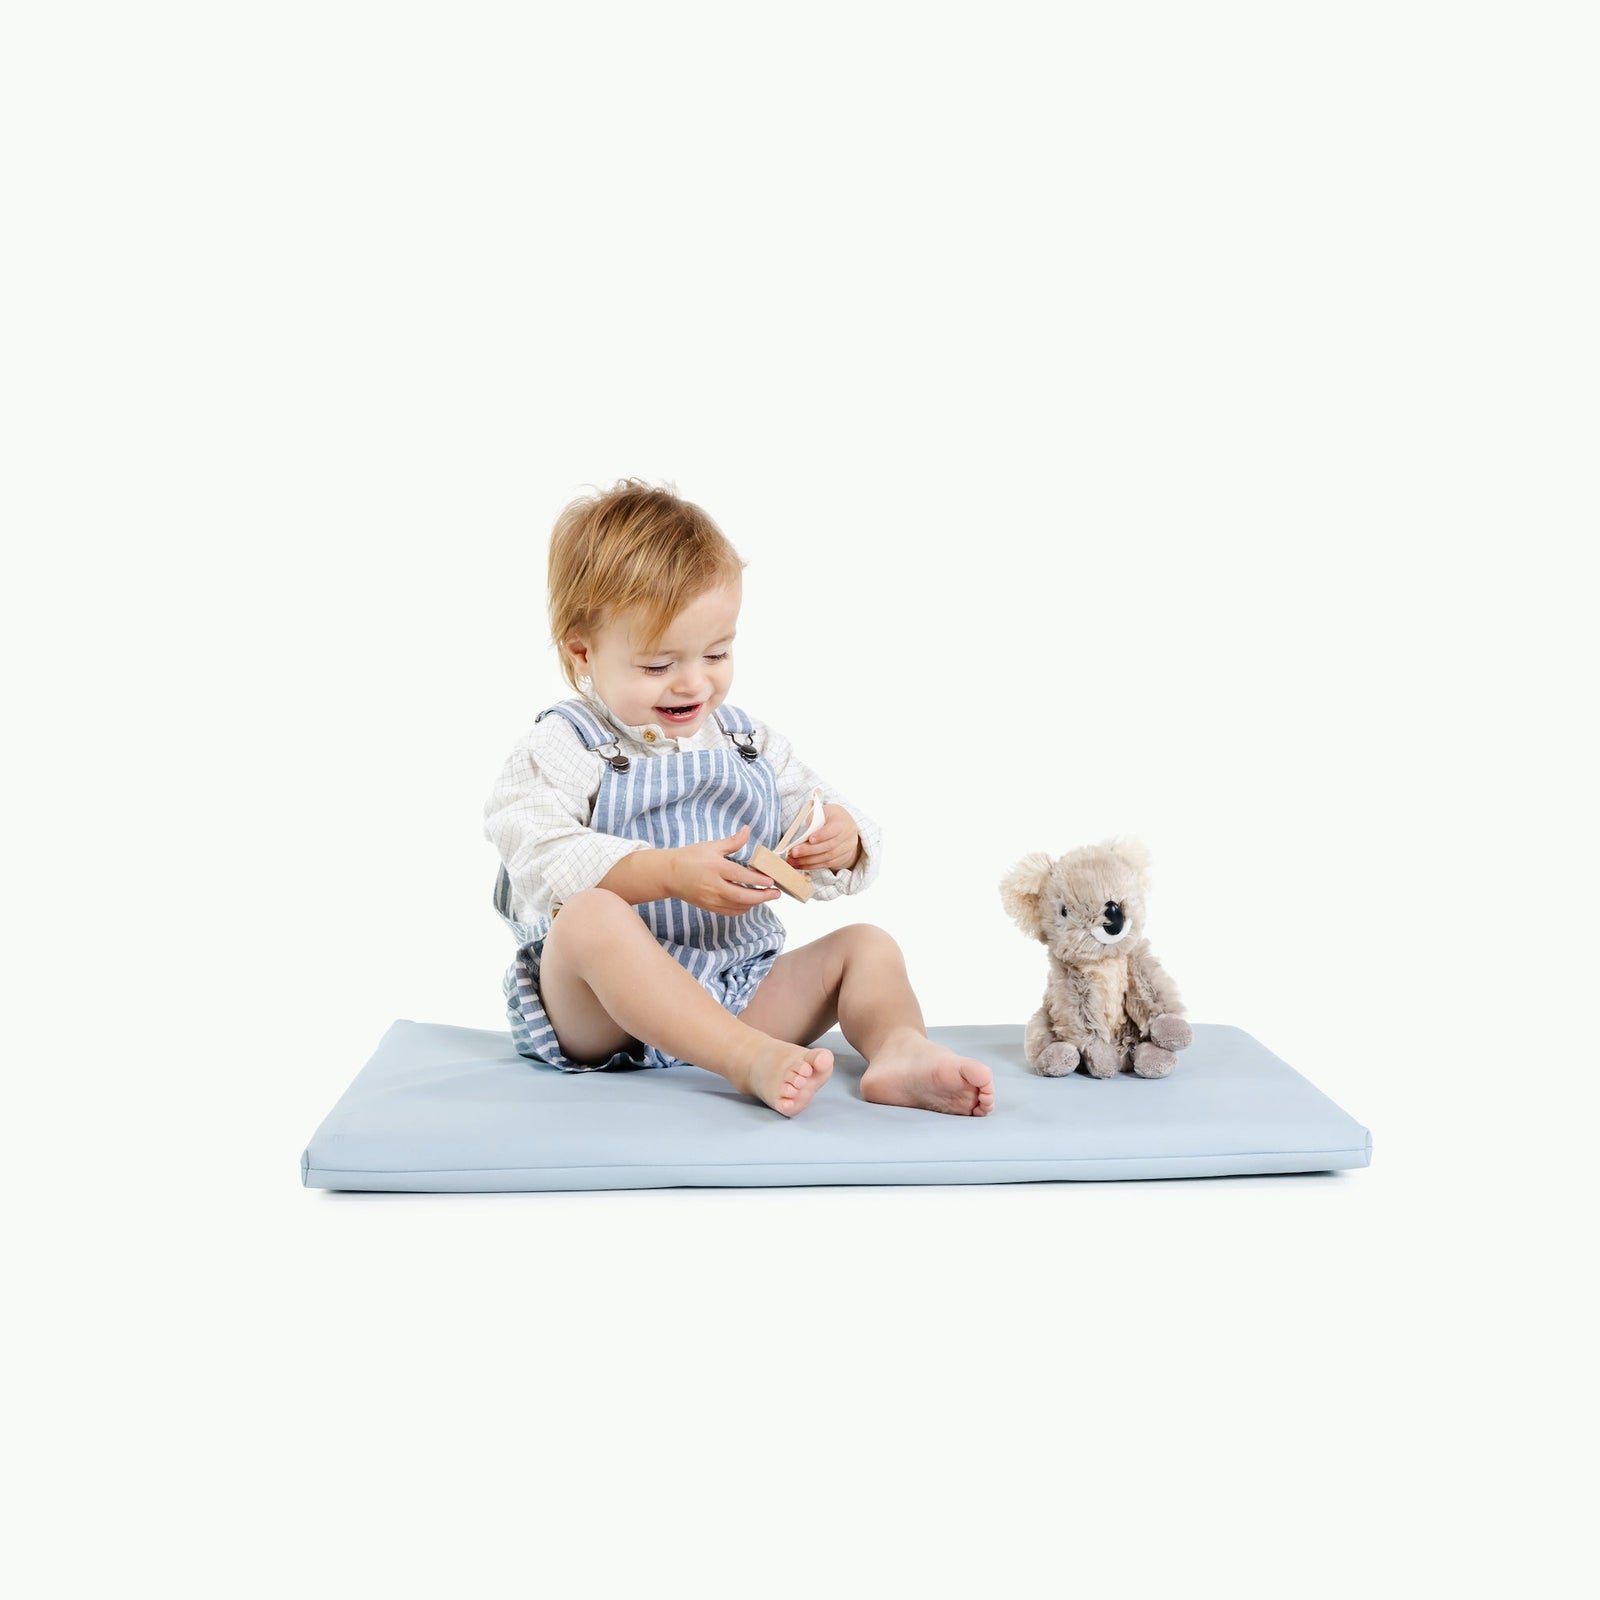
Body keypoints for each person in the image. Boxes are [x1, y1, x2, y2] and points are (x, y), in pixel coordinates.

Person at [483, 480, 994, 1118]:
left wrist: (838, 835)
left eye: (717, 652)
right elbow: (536, 851)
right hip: (602, 1015)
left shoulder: (745, 741)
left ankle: (900, 1050)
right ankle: (743, 1058)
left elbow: (815, 805)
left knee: (868, 946)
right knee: (587, 916)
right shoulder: (565, 744)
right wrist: (666, 872)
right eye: (657, 665)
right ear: (582, 650)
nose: (694, 682)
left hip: (735, 990)